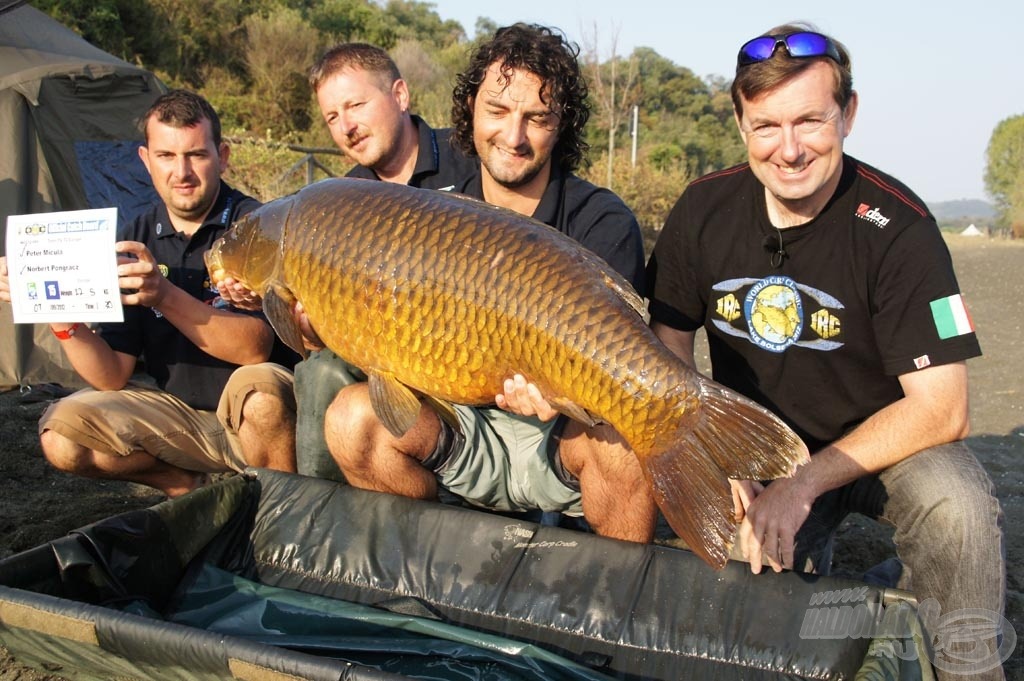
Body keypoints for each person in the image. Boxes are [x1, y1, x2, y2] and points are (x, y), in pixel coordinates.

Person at [646, 24, 1005, 679]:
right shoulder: (702, 210)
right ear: (738, 119)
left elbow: (943, 408)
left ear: (849, 114)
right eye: (766, 126)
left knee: (959, 509)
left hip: (883, 445)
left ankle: (965, 664)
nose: (788, 150)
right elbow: (668, 350)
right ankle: (884, 596)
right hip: (756, 448)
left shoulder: (900, 228)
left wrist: (805, 483)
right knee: (754, 630)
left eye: (811, 121)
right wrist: (714, 454)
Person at [322, 23, 654, 541]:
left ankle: (615, 605)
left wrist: (567, 393)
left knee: (628, 444)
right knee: (350, 420)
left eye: (536, 117)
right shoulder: (431, 209)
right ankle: (423, 577)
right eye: (497, 111)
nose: (513, 136)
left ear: (561, 124)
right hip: (461, 426)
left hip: (561, 435)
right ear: (470, 111)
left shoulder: (601, 220)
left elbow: (620, 364)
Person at [0, 89, 298, 498]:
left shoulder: (259, 226)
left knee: (260, 392)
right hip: (176, 415)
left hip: (257, 414)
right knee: (63, 436)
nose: (182, 172)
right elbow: (112, 374)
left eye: (196, 154)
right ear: (145, 160)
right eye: (166, 156)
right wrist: (58, 313)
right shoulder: (135, 238)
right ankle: (183, 485)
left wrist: (162, 295)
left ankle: (280, 506)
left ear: (222, 156)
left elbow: (255, 349)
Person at [278, 43, 479, 478]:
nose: (346, 126)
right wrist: (317, 328)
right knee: (318, 370)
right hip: (391, 350)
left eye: (355, 105)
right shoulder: (339, 199)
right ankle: (329, 504)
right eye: (332, 117)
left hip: (469, 343)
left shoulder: (470, 157)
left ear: (401, 96)